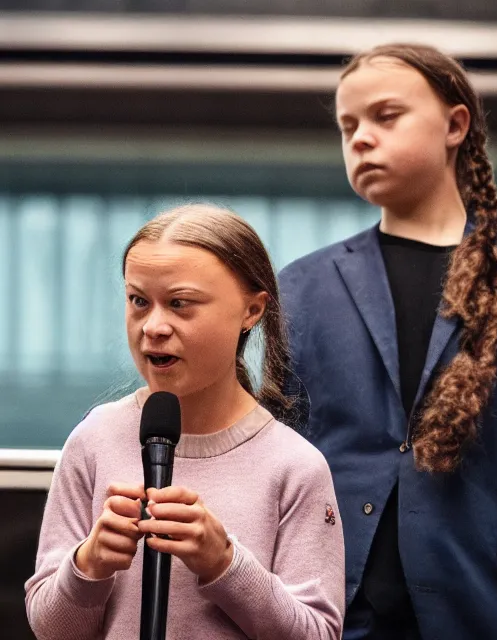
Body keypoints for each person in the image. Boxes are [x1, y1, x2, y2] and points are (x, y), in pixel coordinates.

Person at [25, 204, 345, 640]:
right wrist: (89, 565)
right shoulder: (93, 439)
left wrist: (225, 563)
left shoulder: (295, 467)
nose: (153, 326)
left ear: (251, 310)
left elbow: (320, 633)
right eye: (139, 301)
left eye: (180, 304)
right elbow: (50, 629)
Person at [279, 43, 497, 640]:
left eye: (385, 117)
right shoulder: (302, 286)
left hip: (487, 604)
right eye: (347, 126)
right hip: (334, 610)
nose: (359, 138)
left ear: (455, 125)